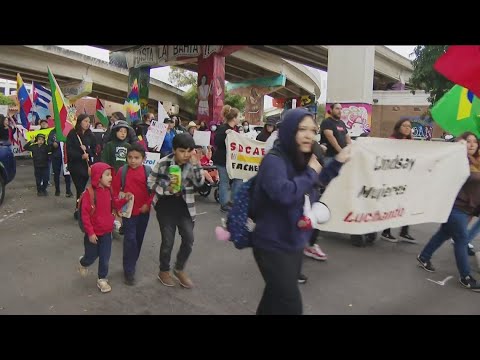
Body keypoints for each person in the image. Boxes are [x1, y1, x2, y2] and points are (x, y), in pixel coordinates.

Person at [251, 108, 350, 314]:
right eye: (302, 129)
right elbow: (284, 194)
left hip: (294, 242)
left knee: (273, 298)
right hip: (271, 244)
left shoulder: (303, 158)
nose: (309, 135)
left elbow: (316, 182)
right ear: (288, 130)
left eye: (312, 130)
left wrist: (338, 161)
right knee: (290, 303)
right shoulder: (274, 160)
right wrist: (312, 171)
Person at [417, 132, 480, 291]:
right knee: (461, 240)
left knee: (443, 234)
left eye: (475, 141)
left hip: (467, 208)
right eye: (468, 141)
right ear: (461, 143)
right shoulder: (457, 161)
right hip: (455, 207)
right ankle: (466, 276)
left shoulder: (477, 162)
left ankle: (424, 257)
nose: (472, 144)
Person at [148, 133, 205, 289]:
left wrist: (196, 165)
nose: (186, 155)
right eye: (182, 151)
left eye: (189, 151)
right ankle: (164, 271)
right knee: (168, 241)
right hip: (165, 206)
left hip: (186, 206)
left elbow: (200, 183)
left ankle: (179, 268)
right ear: (174, 150)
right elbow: (150, 182)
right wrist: (167, 187)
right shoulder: (163, 163)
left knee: (189, 239)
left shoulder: (192, 163)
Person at [78, 162, 130, 293]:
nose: (111, 177)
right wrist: (90, 233)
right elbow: (85, 216)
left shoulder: (110, 190)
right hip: (93, 234)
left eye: (111, 174)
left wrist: (125, 200)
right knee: (91, 256)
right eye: (107, 175)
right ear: (97, 177)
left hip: (107, 232)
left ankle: (102, 279)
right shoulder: (88, 194)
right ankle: (83, 263)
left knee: (105, 257)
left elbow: (115, 204)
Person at [112, 144, 154, 285]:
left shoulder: (148, 172)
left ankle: (131, 261)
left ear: (143, 158)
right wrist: (118, 206)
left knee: (138, 239)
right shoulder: (122, 171)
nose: (133, 161)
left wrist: (147, 205)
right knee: (130, 239)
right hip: (128, 212)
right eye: (130, 157)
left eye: (136, 158)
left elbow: (152, 191)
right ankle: (129, 270)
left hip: (143, 212)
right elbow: (116, 191)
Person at [381, 119, 416, 243]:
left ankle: (404, 232)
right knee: (391, 205)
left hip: (406, 178)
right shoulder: (392, 141)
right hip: (393, 177)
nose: (407, 128)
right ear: (398, 127)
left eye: (409, 126)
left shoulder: (411, 142)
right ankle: (386, 231)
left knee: (406, 204)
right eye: (404, 125)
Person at [212, 105, 242, 213]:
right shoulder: (223, 129)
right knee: (224, 182)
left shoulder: (235, 130)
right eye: (239, 116)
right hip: (222, 160)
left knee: (238, 179)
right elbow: (217, 142)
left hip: (232, 160)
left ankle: (234, 201)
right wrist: (227, 136)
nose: (240, 119)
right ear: (234, 118)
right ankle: (224, 204)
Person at [66, 114, 97, 220]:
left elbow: (94, 150)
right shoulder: (72, 134)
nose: (87, 124)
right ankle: (79, 210)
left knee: (82, 189)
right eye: (85, 121)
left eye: (89, 122)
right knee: (79, 188)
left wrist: (87, 151)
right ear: (80, 122)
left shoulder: (91, 135)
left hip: (86, 167)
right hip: (75, 166)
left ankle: (80, 208)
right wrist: (80, 156)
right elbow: (69, 151)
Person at [47, 127, 73, 197]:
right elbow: (48, 141)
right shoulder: (52, 132)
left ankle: (68, 191)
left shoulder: (66, 130)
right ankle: (57, 190)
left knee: (67, 173)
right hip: (56, 156)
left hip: (66, 156)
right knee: (56, 174)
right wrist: (53, 144)